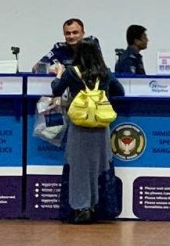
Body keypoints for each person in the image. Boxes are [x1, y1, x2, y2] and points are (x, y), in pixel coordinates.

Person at [50, 40, 125, 223]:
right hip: (100, 127)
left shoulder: (71, 72)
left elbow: (56, 90)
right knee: (100, 166)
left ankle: (81, 207)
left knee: (78, 168)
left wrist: (58, 74)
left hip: (79, 127)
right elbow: (120, 91)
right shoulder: (105, 73)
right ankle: (99, 207)